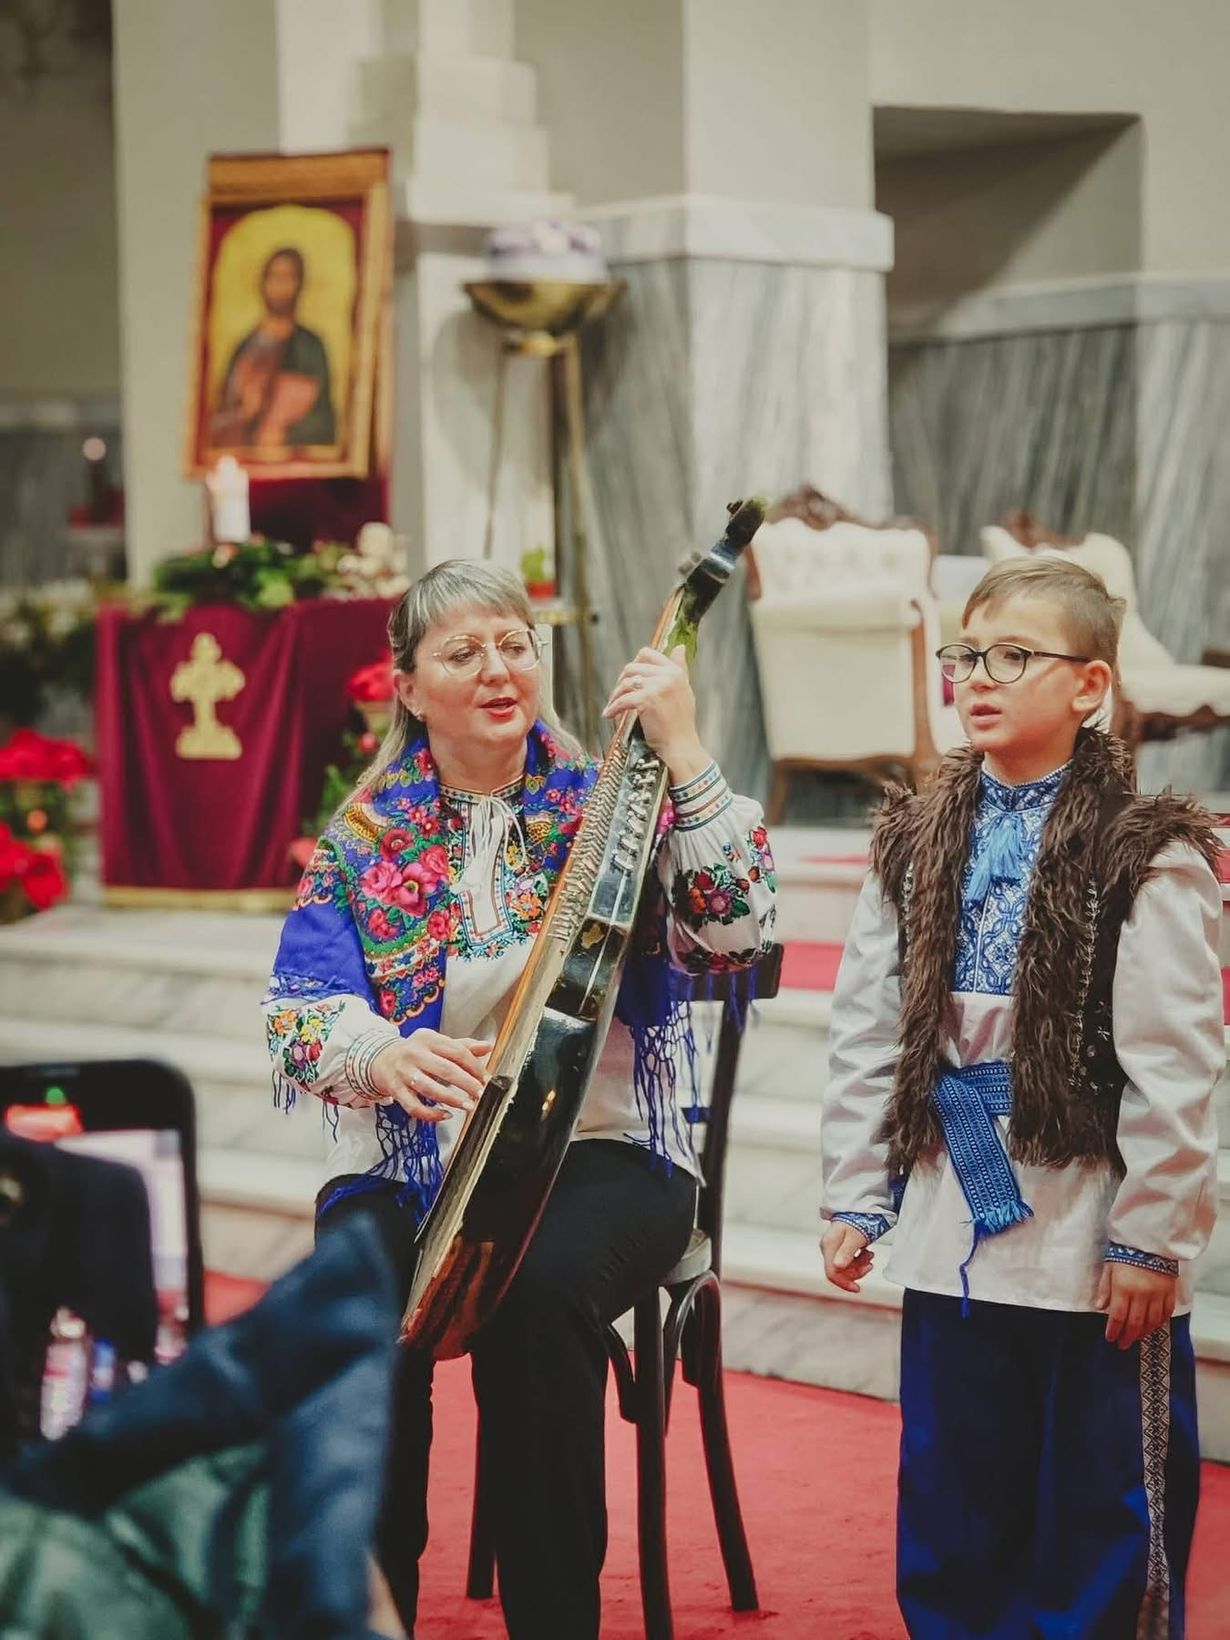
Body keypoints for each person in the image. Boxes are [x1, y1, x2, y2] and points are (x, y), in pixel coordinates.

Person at [263, 559, 777, 1639]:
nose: (499, 669)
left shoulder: (611, 804)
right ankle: (370, 1610)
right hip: (414, 1158)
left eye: (515, 643)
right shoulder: (364, 837)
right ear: (407, 686)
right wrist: (382, 1054)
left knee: (534, 1289)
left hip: (603, 1146)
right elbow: (297, 1010)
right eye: (462, 652)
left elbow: (740, 928)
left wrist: (683, 745)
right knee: (350, 1303)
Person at [820, 556, 1223, 1638]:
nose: (979, 677)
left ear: (1089, 685)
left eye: (1015, 655)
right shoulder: (912, 837)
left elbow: (1177, 1061)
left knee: (1101, 1503)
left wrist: (1152, 1233)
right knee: (953, 1487)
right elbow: (867, 1025)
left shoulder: (1147, 850)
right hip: (951, 1208)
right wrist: (858, 1190)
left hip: (1089, 1223)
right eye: (966, 655)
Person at [212, 246, 336, 451]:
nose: (280, 286)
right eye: (274, 277)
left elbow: (324, 423)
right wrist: (243, 413)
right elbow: (221, 412)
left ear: (299, 284)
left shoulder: (311, 347)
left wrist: (287, 434)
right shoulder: (246, 347)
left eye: (288, 277)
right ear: (263, 283)